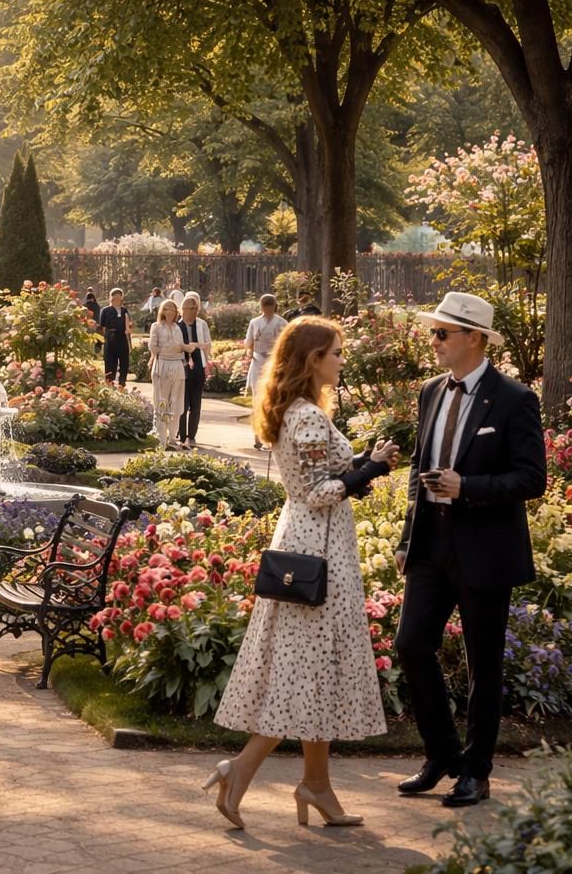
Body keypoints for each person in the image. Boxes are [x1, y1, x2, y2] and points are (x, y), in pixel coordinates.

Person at [205, 317, 398, 830]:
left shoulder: (299, 412)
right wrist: (370, 471)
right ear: (313, 359)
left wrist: (364, 460)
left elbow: (324, 477)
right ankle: (241, 769)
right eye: (335, 353)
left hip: (307, 540)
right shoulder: (308, 416)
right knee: (307, 669)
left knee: (317, 667)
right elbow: (320, 491)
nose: (341, 360)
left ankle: (316, 785)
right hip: (316, 553)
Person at [393, 292, 545, 808]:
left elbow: (532, 478)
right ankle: (443, 755)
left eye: (442, 333)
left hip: (485, 550)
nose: (433, 341)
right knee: (412, 645)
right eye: (433, 332)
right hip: (431, 544)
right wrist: (404, 537)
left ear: (475, 338)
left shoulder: (515, 398)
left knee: (484, 663)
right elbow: (419, 469)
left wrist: (469, 486)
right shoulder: (431, 391)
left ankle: (477, 772)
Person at [244, 294, 288, 448]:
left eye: (270, 306)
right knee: (257, 400)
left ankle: (270, 434)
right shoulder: (255, 322)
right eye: (265, 306)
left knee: (272, 399)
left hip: (273, 362)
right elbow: (248, 342)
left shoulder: (281, 322)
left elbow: (286, 345)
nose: (267, 309)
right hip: (257, 362)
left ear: (274, 306)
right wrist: (250, 352)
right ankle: (257, 435)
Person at [146, 300, 190, 449]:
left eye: (172, 308)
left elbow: (182, 347)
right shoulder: (156, 327)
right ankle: (160, 437)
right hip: (163, 365)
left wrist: (182, 348)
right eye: (167, 309)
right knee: (161, 401)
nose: (170, 311)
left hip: (177, 365)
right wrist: (169, 349)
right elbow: (153, 347)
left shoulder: (178, 328)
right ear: (163, 311)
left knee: (176, 402)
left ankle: (172, 436)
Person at [177, 293, 213, 449]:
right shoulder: (177, 326)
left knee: (195, 403)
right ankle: (182, 434)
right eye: (187, 308)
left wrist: (198, 346)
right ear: (182, 309)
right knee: (182, 403)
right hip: (181, 364)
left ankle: (192, 435)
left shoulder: (201, 324)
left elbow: (207, 344)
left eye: (193, 308)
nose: (191, 311)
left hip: (198, 363)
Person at [98, 288, 131, 389]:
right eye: (114, 296)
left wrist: (129, 341)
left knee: (124, 362)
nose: (116, 299)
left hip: (122, 338)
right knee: (110, 362)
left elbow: (128, 325)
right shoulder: (105, 310)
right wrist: (100, 343)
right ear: (111, 298)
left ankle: (122, 384)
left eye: (118, 296)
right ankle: (109, 384)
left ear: (121, 298)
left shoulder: (124, 310)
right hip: (110, 337)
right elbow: (101, 327)